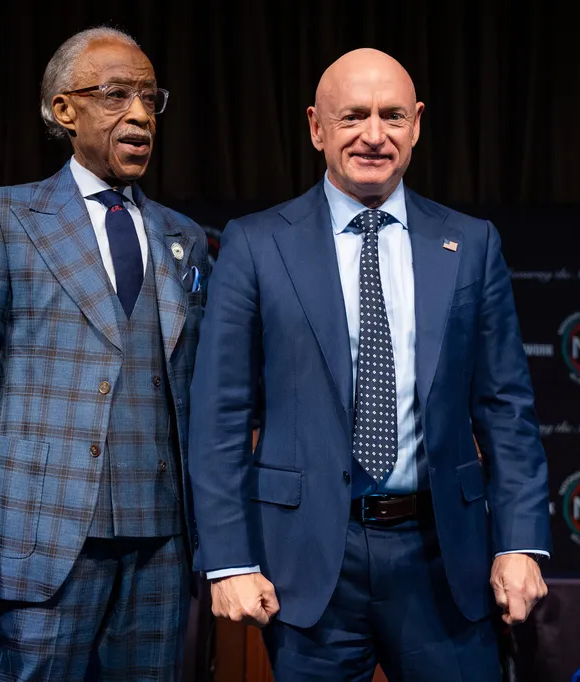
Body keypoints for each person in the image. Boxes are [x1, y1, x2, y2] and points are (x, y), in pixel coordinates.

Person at [188, 48, 551, 681]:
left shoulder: (471, 243)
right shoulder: (255, 244)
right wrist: (228, 560)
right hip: (306, 565)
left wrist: (519, 542)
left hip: (445, 560)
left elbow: (506, 409)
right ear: (315, 127)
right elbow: (220, 415)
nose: (374, 136)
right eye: (353, 116)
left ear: (416, 124)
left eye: (392, 116)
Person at [0, 26, 210, 681]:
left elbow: (194, 393)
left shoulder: (183, 238)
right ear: (64, 110)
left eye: (150, 97)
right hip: (48, 543)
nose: (140, 114)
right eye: (116, 95)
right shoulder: (6, 220)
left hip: (161, 549)